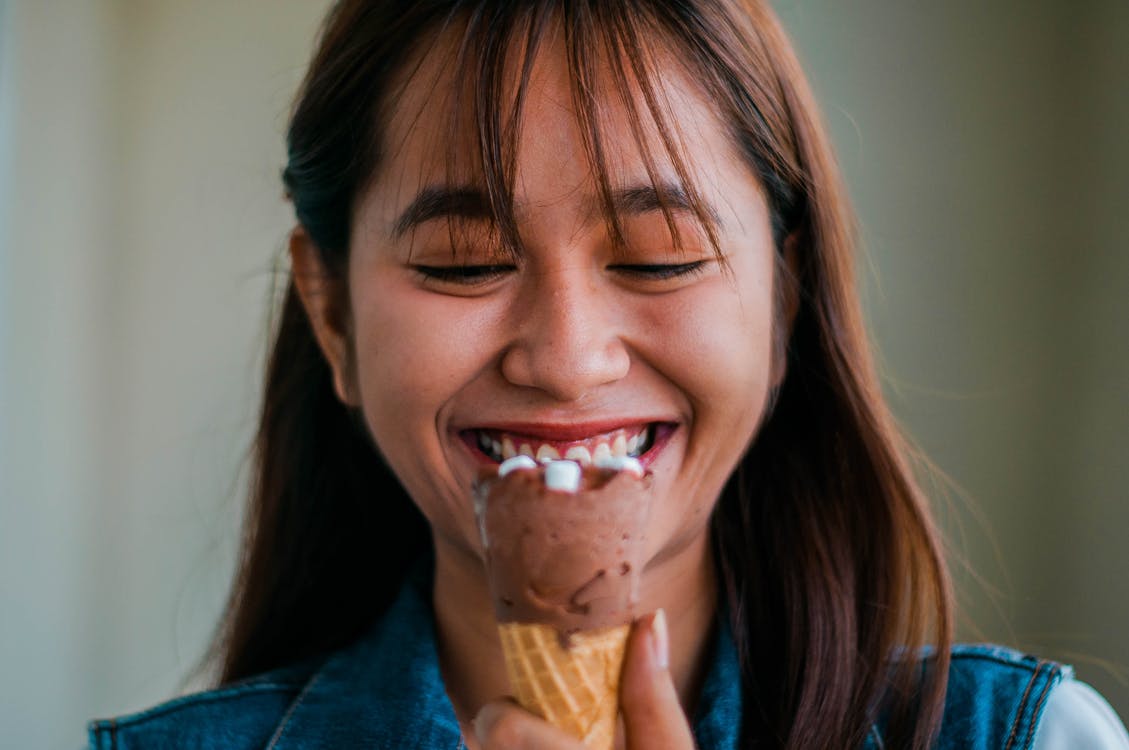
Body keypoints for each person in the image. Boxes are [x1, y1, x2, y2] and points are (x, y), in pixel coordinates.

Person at [89, 1, 1128, 748]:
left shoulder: (1032, 741)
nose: (567, 356)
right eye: (462, 263)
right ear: (330, 311)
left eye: (660, 257)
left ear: (784, 299)